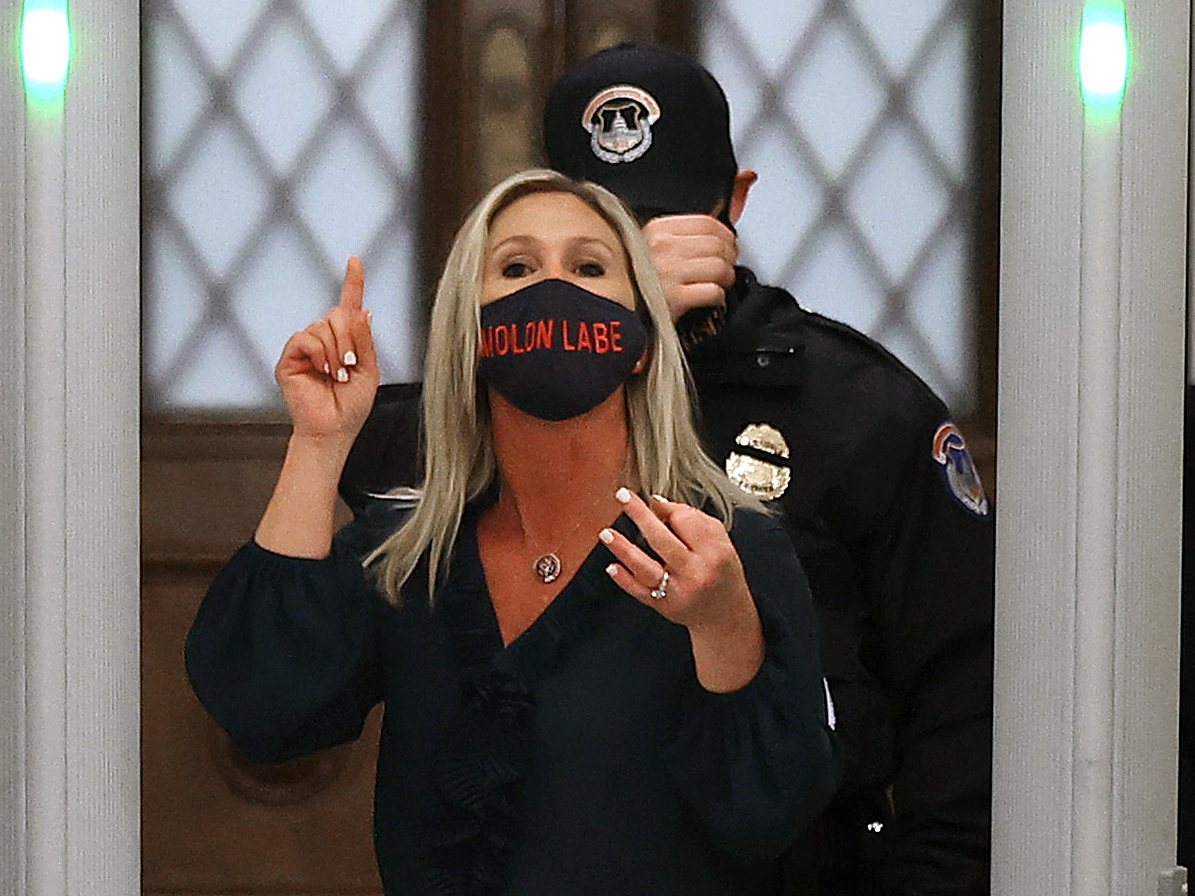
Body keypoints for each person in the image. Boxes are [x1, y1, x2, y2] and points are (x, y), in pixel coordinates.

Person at [340, 43, 995, 896]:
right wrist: (605, 317)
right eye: (608, 230)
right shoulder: (482, 402)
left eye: (668, 219)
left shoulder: (856, 408)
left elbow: (966, 703)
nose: (647, 252)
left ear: (735, 202)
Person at [186, 169, 841, 896]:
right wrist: (319, 442)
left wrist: (721, 624)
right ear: (471, 331)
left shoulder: (722, 551)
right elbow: (264, 709)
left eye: (589, 266)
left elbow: (767, 818)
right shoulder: (409, 554)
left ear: (643, 342)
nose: (550, 290)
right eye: (517, 267)